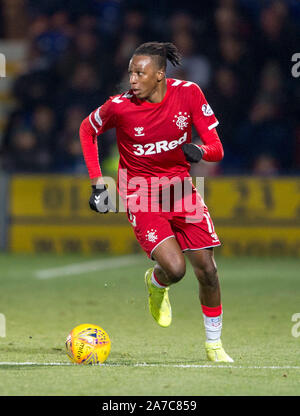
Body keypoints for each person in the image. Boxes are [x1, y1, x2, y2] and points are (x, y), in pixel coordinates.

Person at [79, 41, 233, 362]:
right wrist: (97, 182)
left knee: (207, 270)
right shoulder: (119, 106)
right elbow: (86, 129)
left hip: (180, 190)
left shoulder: (189, 93)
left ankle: (214, 345)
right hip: (140, 193)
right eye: (131, 72)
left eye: (140, 73)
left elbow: (216, 147)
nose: (132, 79)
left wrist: (199, 151)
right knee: (176, 270)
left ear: (160, 74)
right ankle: (158, 281)